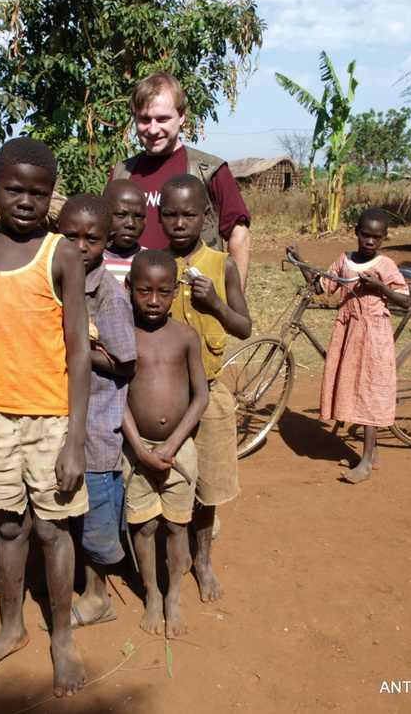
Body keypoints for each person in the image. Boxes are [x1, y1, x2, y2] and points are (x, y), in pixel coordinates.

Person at [0, 137, 91, 698]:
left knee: (54, 529)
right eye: (14, 189)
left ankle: (62, 636)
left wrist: (75, 439)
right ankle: (11, 628)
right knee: (7, 525)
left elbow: (79, 350)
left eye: (39, 192)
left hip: (52, 418)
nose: (26, 201)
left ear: (50, 196)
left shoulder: (62, 255)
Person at [160, 174, 252, 603]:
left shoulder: (222, 265)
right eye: (170, 214)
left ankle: (203, 560)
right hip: (165, 394)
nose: (179, 223)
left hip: (211, 393)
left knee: (209, 485)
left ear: (207, 217)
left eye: (189, 214)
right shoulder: (152, 263)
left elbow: (244, 327)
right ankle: (169, 559)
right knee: (167, 476)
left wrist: (215, 302)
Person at [58, 193, 137, 627]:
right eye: (70, 236)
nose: (80, 246)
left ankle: (97, 594)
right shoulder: (54, 282)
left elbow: (126, 363)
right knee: (67, 508)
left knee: (94, 517)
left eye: (91, 238)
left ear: (107, 241)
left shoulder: (108, 294)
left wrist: (81, 349)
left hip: (95, 428)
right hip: (60, 421)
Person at [287, 208, 411, 484]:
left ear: (384, 239)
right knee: (353, 386)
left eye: (376, 237)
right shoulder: (344, 261)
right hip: (348, 331)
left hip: (373, 334)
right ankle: (372, 455)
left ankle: (366, 462)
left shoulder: (386, 266)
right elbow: (321, 287)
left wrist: (381, 286)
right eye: (365, 235)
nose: (370, 241)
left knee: (370, 390)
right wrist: (300, 261)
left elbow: (405, 301)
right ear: (356, 233)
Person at [122, 249, 209, 637]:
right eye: (143, 291)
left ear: (177, 291)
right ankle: (152, 593)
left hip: (178, 448)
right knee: (143, 528)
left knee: (177, 527)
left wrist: (172, 444)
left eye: (162, 292)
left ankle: (174, 593)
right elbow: (117, 395)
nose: (153, 301)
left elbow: (201, 396)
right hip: (136, 448)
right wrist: (140, 451)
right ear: (129, 288)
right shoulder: (123, 335)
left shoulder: (186, 337)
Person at [109, 72, 252, 290]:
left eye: (163, 119)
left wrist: (235, 299)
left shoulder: (209, 171)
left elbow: (238, 234)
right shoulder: (122, 173)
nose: (153, 129)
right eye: (145, 119)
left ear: (182, 115)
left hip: (192, 298)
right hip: (134, 300)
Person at [102, 179, 147, 284]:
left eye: (139, 216)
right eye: (120, 215)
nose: (131, 224)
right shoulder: (89, 259)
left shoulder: (150, 261)